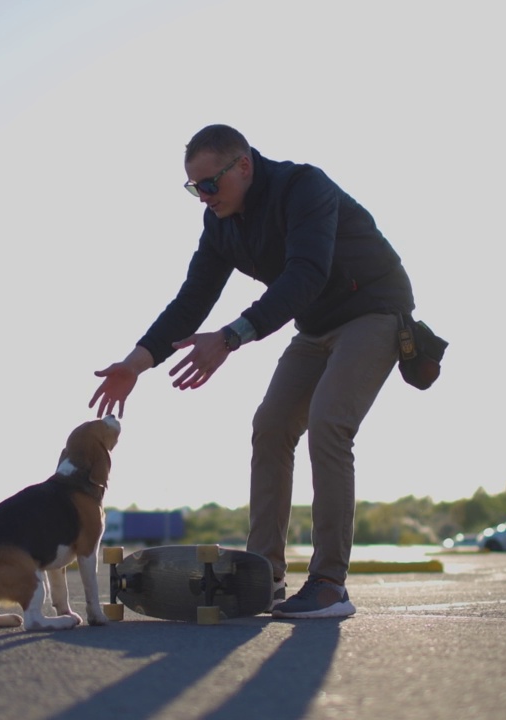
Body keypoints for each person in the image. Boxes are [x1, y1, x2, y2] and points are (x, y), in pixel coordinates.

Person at [89, 124, 417, 619]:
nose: (203, 197)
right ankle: (265, 576)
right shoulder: (220, 224)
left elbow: (306, 274)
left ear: (243, 166)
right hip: (316, 327)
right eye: (193, 189)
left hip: (374, 312)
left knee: (329, 423)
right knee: (269, 427)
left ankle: (330, 584)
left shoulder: (304, 188)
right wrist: (137, 363)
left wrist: (231, 338)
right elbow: (193, 299)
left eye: (209, 185)